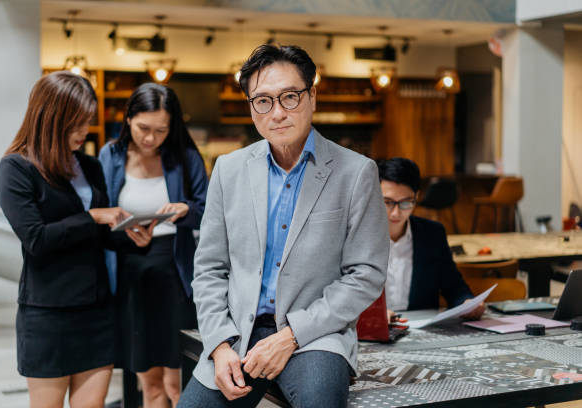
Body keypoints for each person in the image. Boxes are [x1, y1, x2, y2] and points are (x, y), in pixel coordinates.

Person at [178, 44, 389, 408]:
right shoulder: (229, 170)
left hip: (315, 333)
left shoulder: (355, 172)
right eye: (263, 101)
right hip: (238, 332)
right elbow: (210, 268)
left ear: (312, 97)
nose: (277, 113)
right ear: (251, 108)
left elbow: (366, 273)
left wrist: (291, 335)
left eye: (290, 97)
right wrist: (219, 345)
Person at [0, 71, 154, 408]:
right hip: (47, 315)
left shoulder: (89, 165)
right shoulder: (16, 168)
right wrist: (94, 216)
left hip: (96, 311)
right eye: (76, 123)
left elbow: (97, 237)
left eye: (87, 122)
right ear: (51, 119)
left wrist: (131, 236)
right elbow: (36, 239)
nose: (84, 132)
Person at [98, 83, 208, 407]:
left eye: (161, 130)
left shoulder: (184, 157)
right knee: (149, 384)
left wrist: (185, 210)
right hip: (131, 275)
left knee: (179, 383)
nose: (150, 138)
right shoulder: (111, 155)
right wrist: (122, 231)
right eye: (143, 128)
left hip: (175, 275)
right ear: (128, 118)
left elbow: (208, 211)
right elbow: (100, 214)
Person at [377, 157, 485, 320]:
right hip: (372, 332)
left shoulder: (432, 234)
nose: (396, 213)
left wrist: (467, 303)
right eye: (388, 202)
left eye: (406, 203)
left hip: (421, 329)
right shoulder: (357, 236)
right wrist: (371, 317)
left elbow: (454, 287)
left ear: (417, 196)